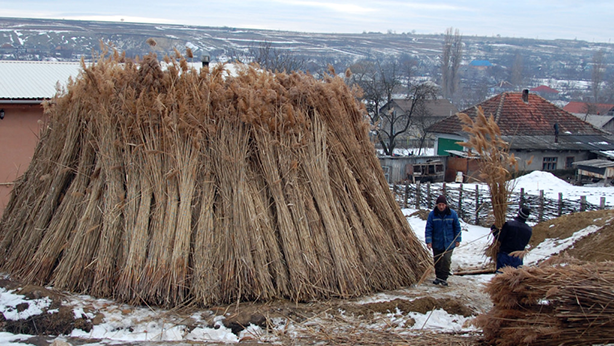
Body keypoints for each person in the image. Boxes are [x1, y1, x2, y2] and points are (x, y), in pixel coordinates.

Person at [425, 195, 462, 286]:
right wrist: (429, 241)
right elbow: (429, 228)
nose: (441, 207)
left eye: (443, 205)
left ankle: (444, 278)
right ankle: (438, 277)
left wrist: (458, 239)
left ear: (446, 205)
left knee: (446, 260)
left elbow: (457, 227)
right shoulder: (432, 215)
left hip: (449, 242)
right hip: (437, 242)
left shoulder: (452, 214)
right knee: (437, 260)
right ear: (437, 205)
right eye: (439, 205)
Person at [491, 206, 533, 272]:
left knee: (501, 277)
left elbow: (500, 238)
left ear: (519, 214)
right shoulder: (529, 230)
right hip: (518, 257)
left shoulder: (509, 225)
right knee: (514, 277)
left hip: (505, 255)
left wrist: (494, 229)